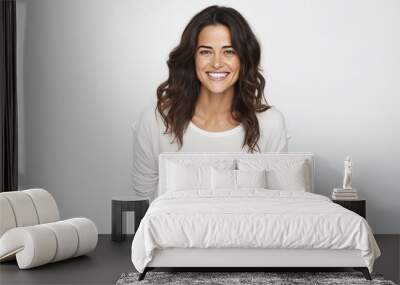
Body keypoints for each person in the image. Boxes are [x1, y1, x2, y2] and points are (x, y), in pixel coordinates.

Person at [132, 5, 288, 199]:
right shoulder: (154, 121)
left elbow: (277, 206)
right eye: (206, 52)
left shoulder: (270, 123)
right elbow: (144, 204)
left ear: (243, 58)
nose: (216, 63)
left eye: (229, 51)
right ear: (192, 58)